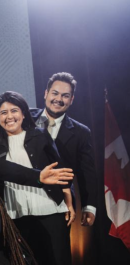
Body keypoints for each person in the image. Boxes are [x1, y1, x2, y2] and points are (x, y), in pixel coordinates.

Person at [0, 90, 79, 265]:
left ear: (23, 113)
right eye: (3, 112)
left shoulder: (40, 136)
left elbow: (62, 172)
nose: (9, 116)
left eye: (14, 110)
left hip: (49, 211)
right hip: (16, 217)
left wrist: (69, 201)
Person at [31, 72, 97, 228]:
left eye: (65, 96)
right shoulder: (24, 117)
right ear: (46, 93)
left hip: (61, 202)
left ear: (71, 100)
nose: (59, 99)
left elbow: (87, 172)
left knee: (58, 252)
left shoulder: (81, 132)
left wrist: (89, 206)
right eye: (55, 93)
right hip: (23, 197)